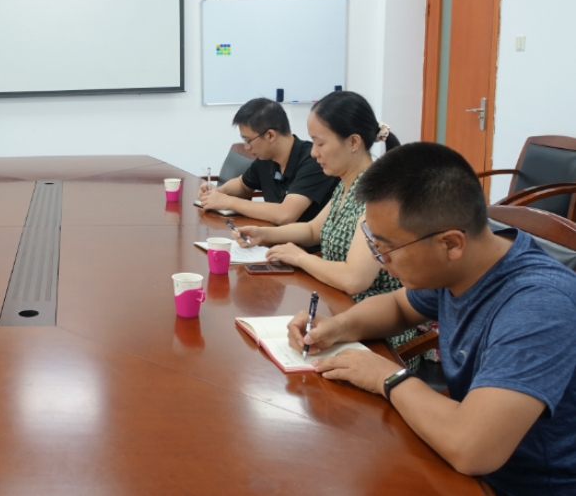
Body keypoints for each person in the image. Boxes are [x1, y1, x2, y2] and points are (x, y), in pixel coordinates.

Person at [287, 142, 576, 495]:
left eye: (387, 248)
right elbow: (398, 306)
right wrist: (336, 327)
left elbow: (472, 448)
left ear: (451, 244)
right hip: (452, 454)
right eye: (373, 242)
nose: (380, 259)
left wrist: (387, 377)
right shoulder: (466, 263)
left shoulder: (539, 307)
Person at [234, 91, 416, 354]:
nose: (313, 153)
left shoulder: (380, 194)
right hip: (338, 312)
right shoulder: (347, 183)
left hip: (377, 335)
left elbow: (354, 279)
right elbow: (312, 229)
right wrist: (264, 234)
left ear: (353, 142)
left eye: (320, 143)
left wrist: (299, 258)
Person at [198, 98, 337, 225]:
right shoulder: (266, 158)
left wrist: (228, 202)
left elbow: (285, 214)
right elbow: (242, 184)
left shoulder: (314, 161)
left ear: (270, 135)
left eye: (249, 141)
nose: (247, 147)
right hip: (273, 235)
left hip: (302, 243)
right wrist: (218, 192)